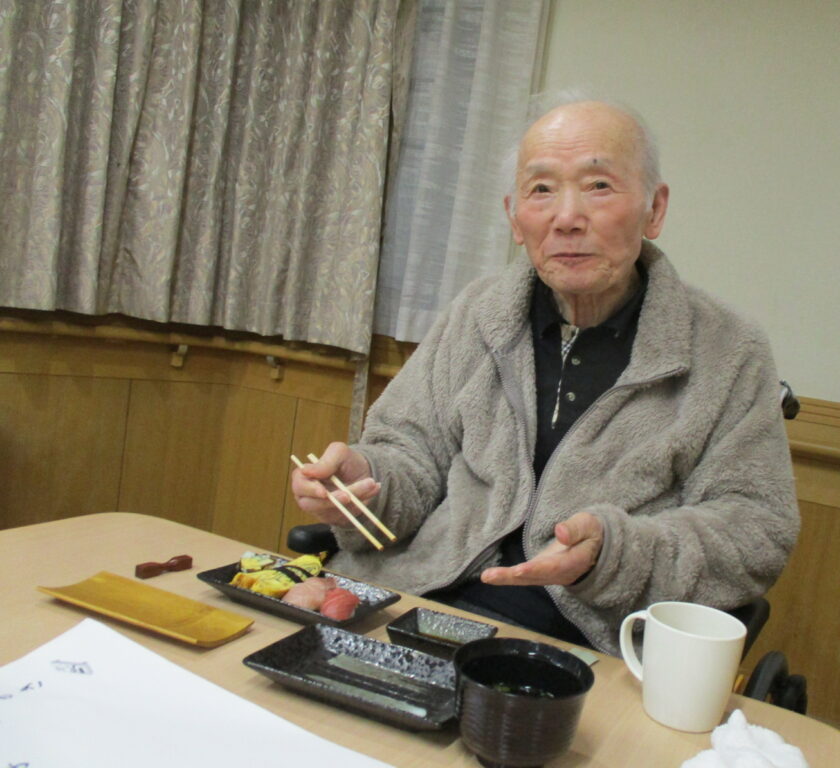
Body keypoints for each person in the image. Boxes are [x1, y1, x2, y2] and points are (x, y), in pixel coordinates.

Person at [291, 96, 799, 655]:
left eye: (599, 185)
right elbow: (410, 453)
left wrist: (614, 554)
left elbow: (756, 529)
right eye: (542, 190)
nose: (566, 217)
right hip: (415, 604)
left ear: (654, 209)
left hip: (577, 646)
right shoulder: (478, 314)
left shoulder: (728, 348)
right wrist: (364, 481)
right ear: (515, 217)